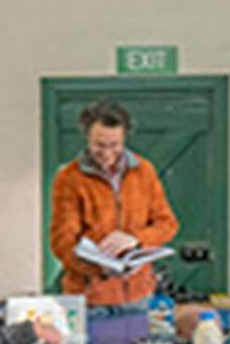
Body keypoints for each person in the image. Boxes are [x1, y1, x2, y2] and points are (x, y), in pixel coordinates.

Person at [48, 99, 179, 316]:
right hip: (90, 298)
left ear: (124, 138)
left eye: (115, 145)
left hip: (139, 295)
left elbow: (167, 224)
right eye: (99, 145)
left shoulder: (144, 171)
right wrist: (100, 268)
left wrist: (135, 239)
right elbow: (62, 243)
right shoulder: (69, 179)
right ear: (87, 137)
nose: (107, 154)